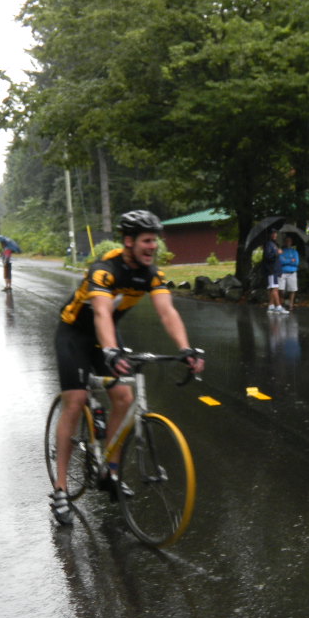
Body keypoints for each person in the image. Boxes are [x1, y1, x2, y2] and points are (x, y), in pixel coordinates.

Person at [49, 210, 205, 525]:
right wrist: (110, 351)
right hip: (75, 334)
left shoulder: (151, 274)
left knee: (124, 397)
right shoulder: (104, 270)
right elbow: (101, 314)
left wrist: (185, 348)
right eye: (147, 241)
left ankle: (111, 473)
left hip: (105, 337)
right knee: (75, 401)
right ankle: (61, 488)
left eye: (155, 241)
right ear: (129, 241)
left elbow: (167, 312)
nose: (153, 247)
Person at [263, 228, 286, 314]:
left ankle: (271, 306)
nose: (274, 235)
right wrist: (277, 252)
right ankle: (278, 306)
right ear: (269, 235)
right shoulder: (268, 244)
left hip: (275, 269)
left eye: (275, 233)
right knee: (274, 288)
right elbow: (268, 256)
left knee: (272, 288)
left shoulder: (274, 244)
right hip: (272, 269)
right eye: (272, 233)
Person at [279, 235, 300, 312]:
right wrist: (291, 260)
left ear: (291, 242)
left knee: (292, 289)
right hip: (283, 272)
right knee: (281, 289)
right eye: (286, 241)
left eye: (289, 241)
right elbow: (281, 261)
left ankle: (291, 305)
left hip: (292, 272)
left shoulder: (294, 252)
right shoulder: (281, 251)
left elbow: (296, 262)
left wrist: (286, 260)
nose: (288, 242)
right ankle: (282, 303)